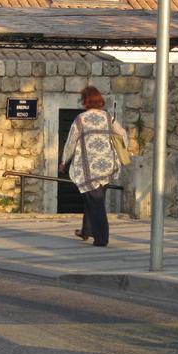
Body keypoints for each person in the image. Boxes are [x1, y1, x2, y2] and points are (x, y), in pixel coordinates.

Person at [59, 85, 128, 247]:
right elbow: (123, 134)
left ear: (85, 101)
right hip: (107, 166)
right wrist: (120, 150)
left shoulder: (80, 119)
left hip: (89, 167)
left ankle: (101, 238)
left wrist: (64, 161)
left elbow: (71, 142)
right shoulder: (108, 118)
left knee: (95, 202)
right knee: (94, 200)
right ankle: (86, 231)